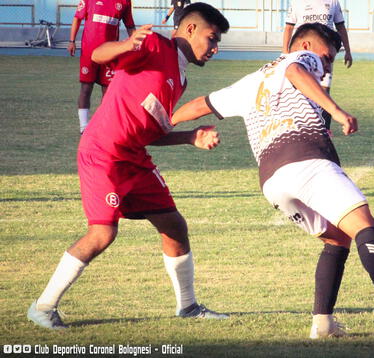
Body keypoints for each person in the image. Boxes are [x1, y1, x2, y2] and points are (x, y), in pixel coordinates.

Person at [171, 22, 374, 339]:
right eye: (327, 57)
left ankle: (323, 323)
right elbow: (294, 73)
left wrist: (161, 124)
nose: (327, 65)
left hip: (272, 181)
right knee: (365, 225)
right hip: (306, 158)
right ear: (306, 48)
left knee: (337, 238)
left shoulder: (251, 81)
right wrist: (337, 110)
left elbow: (199, 105)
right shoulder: (300, 60)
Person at [27, 3, 231, 329]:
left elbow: (153, 131)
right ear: (190, 29)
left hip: (134, 157)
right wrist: (124, 44)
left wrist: (190, 137)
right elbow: (97, 55)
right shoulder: (154, 45)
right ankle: (43, 306)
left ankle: (188, 307)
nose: (215, 48)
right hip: (103, 153)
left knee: (174, 226)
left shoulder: (181, 78)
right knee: (103, 232)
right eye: (212, 38)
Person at [282, 0, 352, 130]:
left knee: (324, 91)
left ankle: (324, 128)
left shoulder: (333, 2)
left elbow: (341, 27)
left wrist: (348, 51)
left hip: (325, 55)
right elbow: (289, 27)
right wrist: (285, 53)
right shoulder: (297, 3)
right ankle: (299, 125)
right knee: (300, 90)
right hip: (303, 56)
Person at [68, 0, 136, 133]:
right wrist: (72, 41)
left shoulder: (125, 2)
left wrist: (137, 45)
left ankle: (104, 124)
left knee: (108, 91)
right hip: (89, 52)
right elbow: (77, 18)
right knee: (86, 87)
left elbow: (130, 26)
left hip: (110, 54)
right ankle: (84, 126)